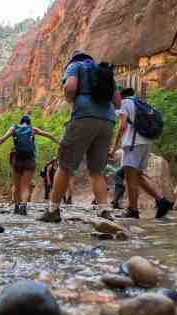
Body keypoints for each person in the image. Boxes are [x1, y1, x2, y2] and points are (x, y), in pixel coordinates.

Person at [39, 49, 121, 223]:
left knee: (64, 165)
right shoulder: (103, 72)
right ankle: (104, 211)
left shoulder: (75, 66)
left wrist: (71, 100)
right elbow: (118, 102)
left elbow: (70, 87)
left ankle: (53, 210)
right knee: (96, 171)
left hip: (83, 117)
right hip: (107, 121)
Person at [110, 88, 173, 219]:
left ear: (118, 95)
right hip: (146, 142)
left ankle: (132, 210)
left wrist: (113, 147)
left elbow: (122, 126)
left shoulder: (123, 104)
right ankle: (162, 202)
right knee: (138, 176)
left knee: (130, 178)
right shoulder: (138, 102)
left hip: (133, 144)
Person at [0, 115, 59, 216]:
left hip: (17, 160)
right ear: (29, 122)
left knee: (17, 185)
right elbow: (48, 135)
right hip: (29, 160)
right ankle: (23, 206)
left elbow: (2, 139)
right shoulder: (32, 129)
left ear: (21, 121)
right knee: (26, 186)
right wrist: (59, 142)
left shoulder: (14, 128)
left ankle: (16, 207)